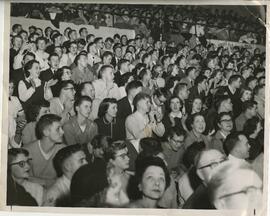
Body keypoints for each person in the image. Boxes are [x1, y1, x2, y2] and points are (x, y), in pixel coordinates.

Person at [24, 114, 65, 188]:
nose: (62, 132)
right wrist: (48, 182)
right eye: (58, 129)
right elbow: (22, 178)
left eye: (61, 128)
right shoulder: (27, 151)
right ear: (46, 132)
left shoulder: (63, 150)